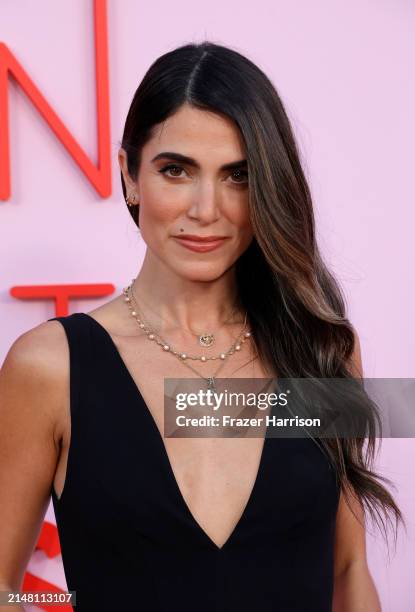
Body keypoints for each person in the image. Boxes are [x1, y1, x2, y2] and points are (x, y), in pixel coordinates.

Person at [0, 41, 403, 611]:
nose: (206, 209)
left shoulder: (323, 352)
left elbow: (348, 568)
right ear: (130, 176)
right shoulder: (49, 368)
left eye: (238, 176)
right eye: (176, 170)